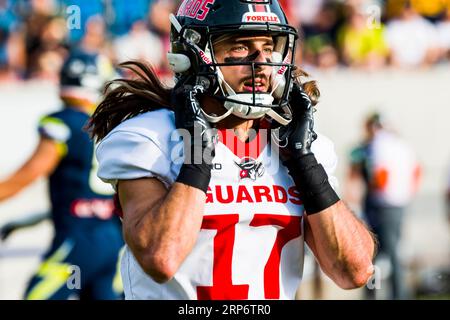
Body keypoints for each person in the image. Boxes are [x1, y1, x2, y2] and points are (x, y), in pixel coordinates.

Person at [89, 0, 376, 300]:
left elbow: (354, 271)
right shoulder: (150, 138)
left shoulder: (300, 145)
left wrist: (305, 162)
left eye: (269, 47)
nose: (262, 62)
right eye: (240, 46)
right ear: (194, 54)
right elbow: (161, 258)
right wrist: (197, 156)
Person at [0, 49, 124, 300]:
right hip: (112, 239)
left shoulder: (64, 123)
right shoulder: (111, 126)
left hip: (78, 240)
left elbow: (30, 173)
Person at [347, 112, 421, 299]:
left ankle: (391, 295)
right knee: (382, 254)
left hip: (380, 205)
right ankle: (384, 293)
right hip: (391, 204)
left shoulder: (380, 146)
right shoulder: (393, 145)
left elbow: (380, 177)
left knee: (380, 254)